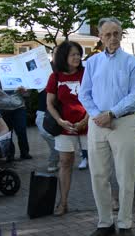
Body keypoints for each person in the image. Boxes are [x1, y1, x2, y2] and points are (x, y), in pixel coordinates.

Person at [79, 17, 135, 236]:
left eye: (116, 33)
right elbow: (84, 93)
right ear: (100, 37)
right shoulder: (92, 63)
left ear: (121, 34)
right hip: (98, 124)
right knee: (98, 174)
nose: (113, 38)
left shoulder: (131, 62)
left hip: (123, 122)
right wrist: (98, 115)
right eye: (108, 34)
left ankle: (125, 223)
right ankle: (105, 223)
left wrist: (112, 113)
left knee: (125, 175)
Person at [46, 41, 88, 216]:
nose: (77, 57)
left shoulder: (87, 74)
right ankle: (63, 203)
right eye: (73, 54)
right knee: (65, 163)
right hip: (64, 128)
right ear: (64, 56)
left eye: (78, 54)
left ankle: (111, 199)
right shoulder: (55, 77)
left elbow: (96, 99)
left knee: (100, 163)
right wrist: (60, 121)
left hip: (88, 125)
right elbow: (49, 103)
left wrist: (86, 120)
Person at [0, 77, 31, 161]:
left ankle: (24, 153)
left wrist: (24, 92)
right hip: (2, 110)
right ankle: (10, 154)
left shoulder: (18, 78)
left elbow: (27, 94)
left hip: (19, 108)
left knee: (21, 131)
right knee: (7, 133)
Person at [36, 49, 59, 173]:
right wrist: (24, 91)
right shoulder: (42, 69)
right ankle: (59, 151)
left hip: (59, 109)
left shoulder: (65, 69)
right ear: (52, 54)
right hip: (42, 108)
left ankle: (53, 160)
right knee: (45, 133)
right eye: (56, 53)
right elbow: (30, 89)